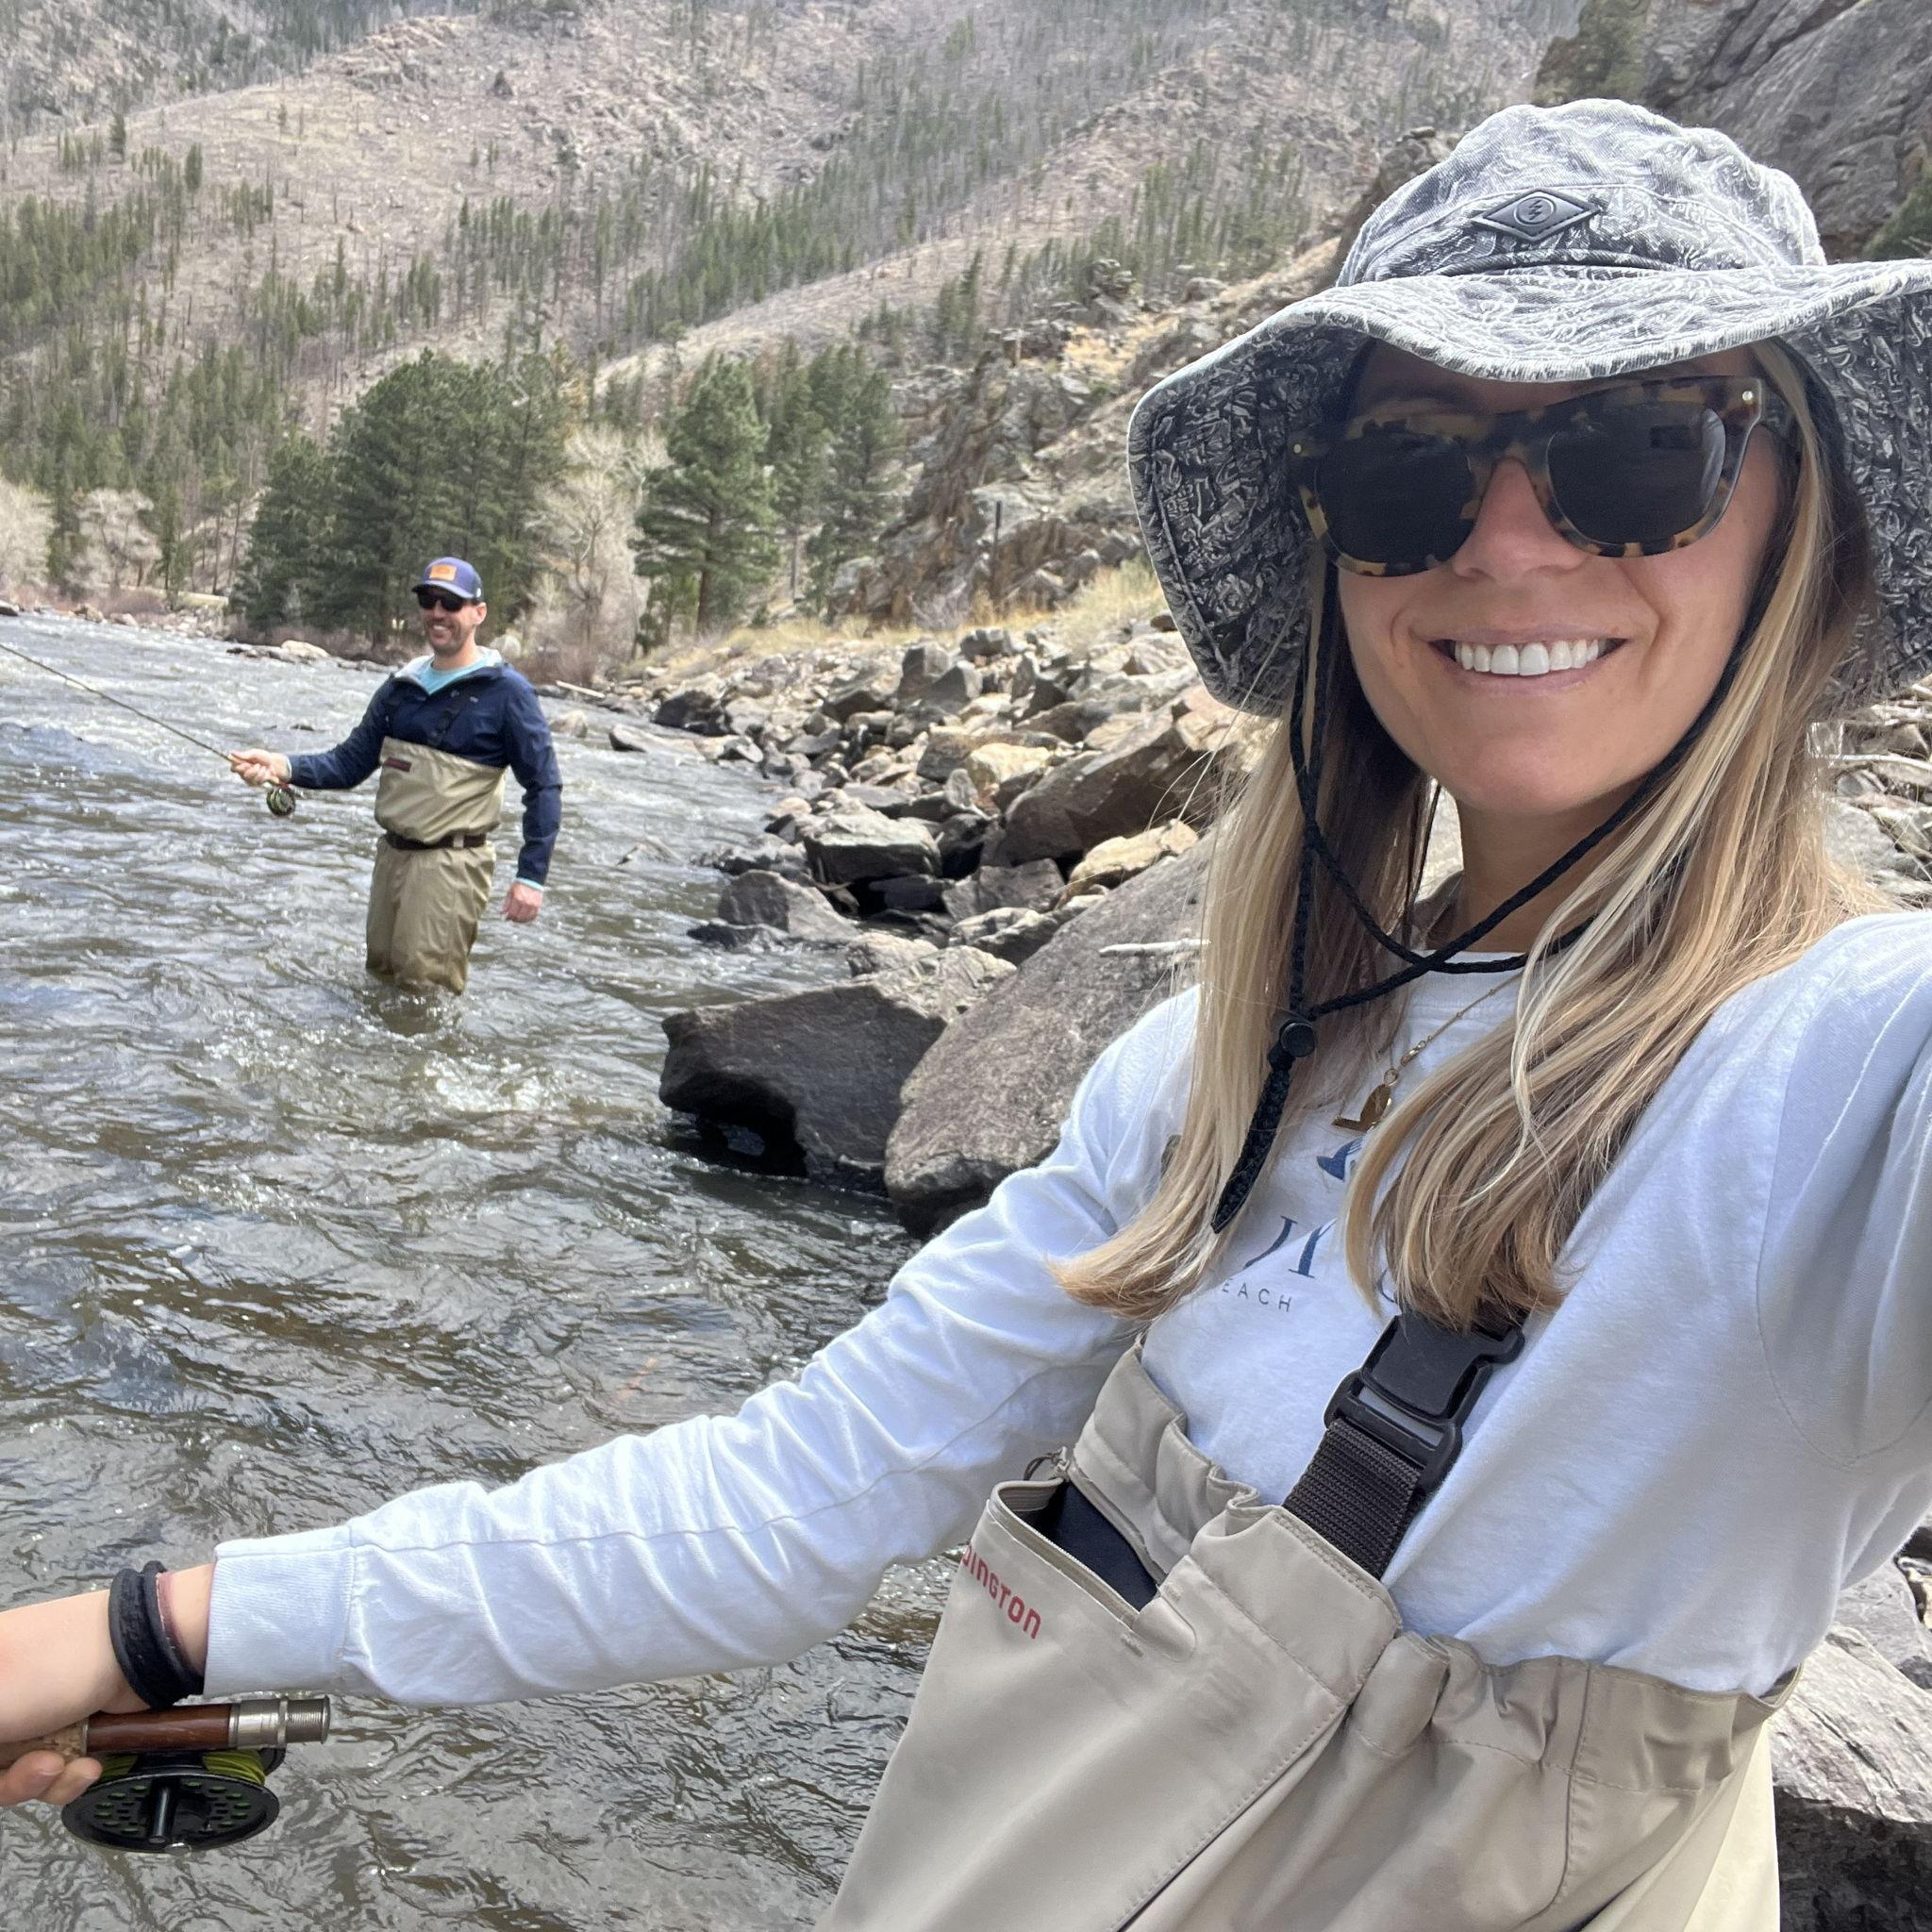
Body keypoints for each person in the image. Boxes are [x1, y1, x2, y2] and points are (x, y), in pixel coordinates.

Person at [6, 100, 1932, 1927]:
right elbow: (791, 1496)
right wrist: (151, 1627)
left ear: (1800, 517)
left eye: (1632, 451)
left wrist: (523, 868)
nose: (1509, 539)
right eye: (1410, 466)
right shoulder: (1198, 1077)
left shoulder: (1842, 1085)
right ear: (1339, 541)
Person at [230, 558, 562, 995]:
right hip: (393, 857)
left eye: (451, 603)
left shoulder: (507, 693)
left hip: (451, 865)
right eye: (429, 600)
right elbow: (348, 763)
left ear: (478, 613)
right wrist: (281, 766)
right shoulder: (400, 688)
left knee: (424, 993)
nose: (438, 612)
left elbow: (544, 785)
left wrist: (531, 877)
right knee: (380, 980)